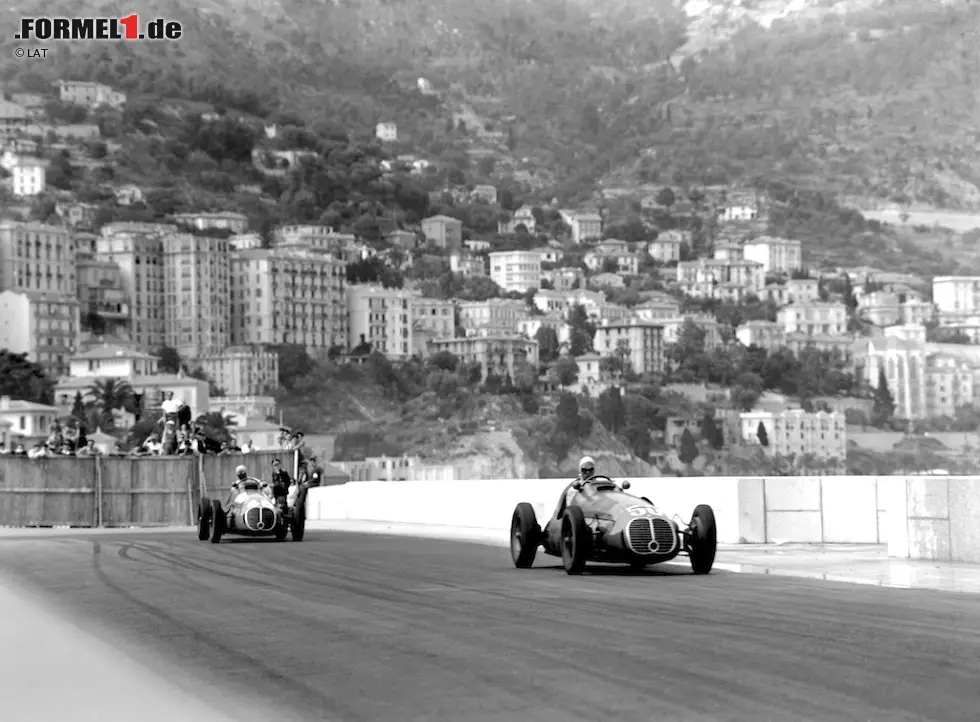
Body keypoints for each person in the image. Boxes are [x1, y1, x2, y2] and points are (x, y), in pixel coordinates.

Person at [545, 456, 598, 531]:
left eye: (590, 469)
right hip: (577, 522)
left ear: (594, 470)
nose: (588, 472)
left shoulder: (599, 485)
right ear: (580, 470)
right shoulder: (572, 488)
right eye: (584, 470)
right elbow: (566, 511)